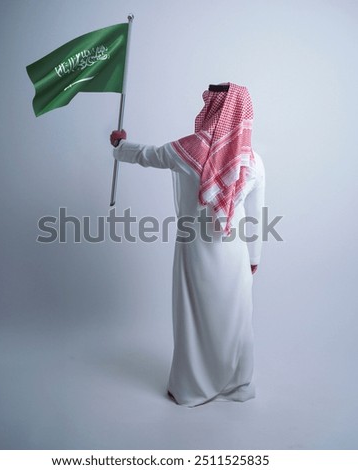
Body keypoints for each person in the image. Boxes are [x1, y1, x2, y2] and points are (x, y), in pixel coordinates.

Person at [110, 82, 265, 407]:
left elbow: (147, 155)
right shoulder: (252, 161)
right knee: (236, 316)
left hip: (194, 251)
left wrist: (120, 146)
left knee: (196, 318)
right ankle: (237, 385)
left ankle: (192, 387)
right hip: (234, 253)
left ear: (214, 108)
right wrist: (254, 258)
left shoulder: (188, 150)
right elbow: (255, 218)